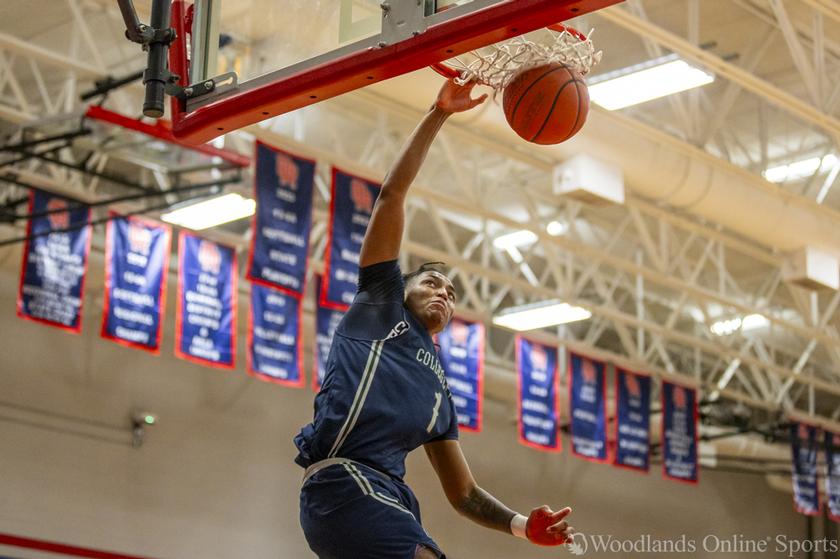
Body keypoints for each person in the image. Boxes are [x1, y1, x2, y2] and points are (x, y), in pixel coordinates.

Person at [294, 78, 575, 559]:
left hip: (392, 496)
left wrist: (525, 527)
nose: (442, 293)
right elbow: (392, 196)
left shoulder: (439, 392)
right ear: (402, 290)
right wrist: (438, 113)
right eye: (430, 283)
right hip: (342, 483)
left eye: (450, 292)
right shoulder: (379, 308)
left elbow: (463, 494)